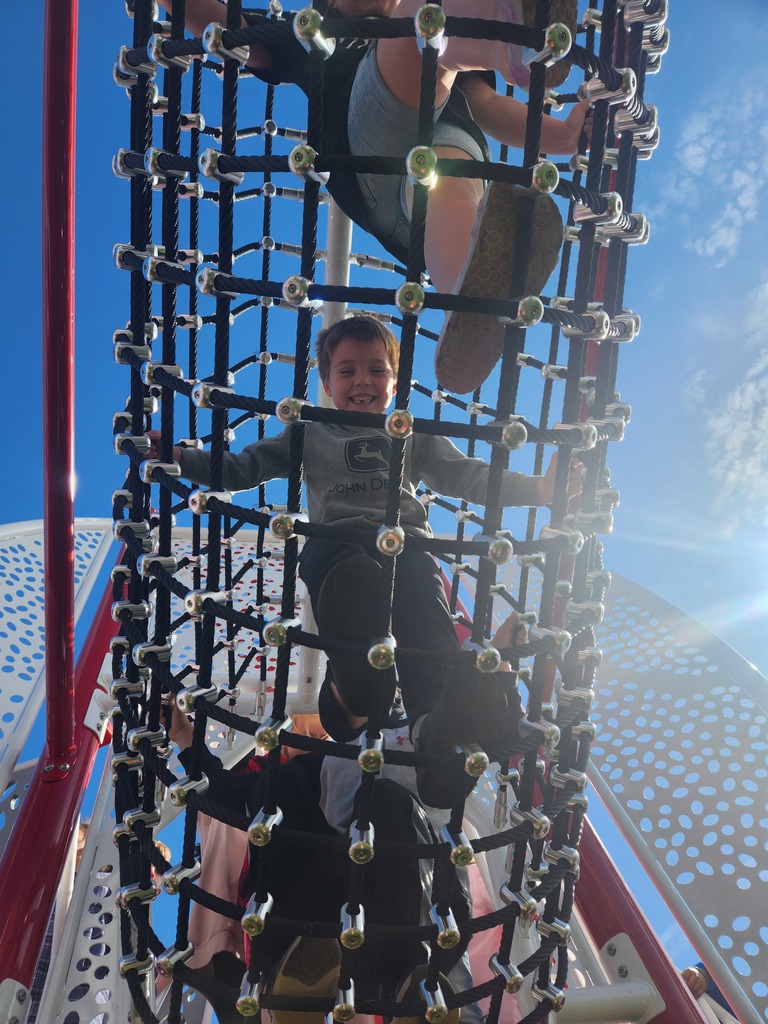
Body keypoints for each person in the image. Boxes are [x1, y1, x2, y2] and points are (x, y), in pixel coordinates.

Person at [147, 315, 581, 793]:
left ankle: (433, 736)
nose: (362, 382)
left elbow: (468, 476)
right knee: (351, 584)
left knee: (424, 611)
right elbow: (240, 468)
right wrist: (178, 456)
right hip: (337, 545)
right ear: (327, 384)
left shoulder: (408, 432)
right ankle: (356, 681)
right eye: (347, 370)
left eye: (377, 370)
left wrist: (540, 489)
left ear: (394, 383)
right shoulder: (309, 431)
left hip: (407, 546)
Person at [156, 0, 588, 392]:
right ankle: (510, 35)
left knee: (449, 177)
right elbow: (232, 29)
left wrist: (564, 136)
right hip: (364, 155)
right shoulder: (314, 31)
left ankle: (467, 296)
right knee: (422, 26)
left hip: (445, 157)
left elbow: (489, 106)